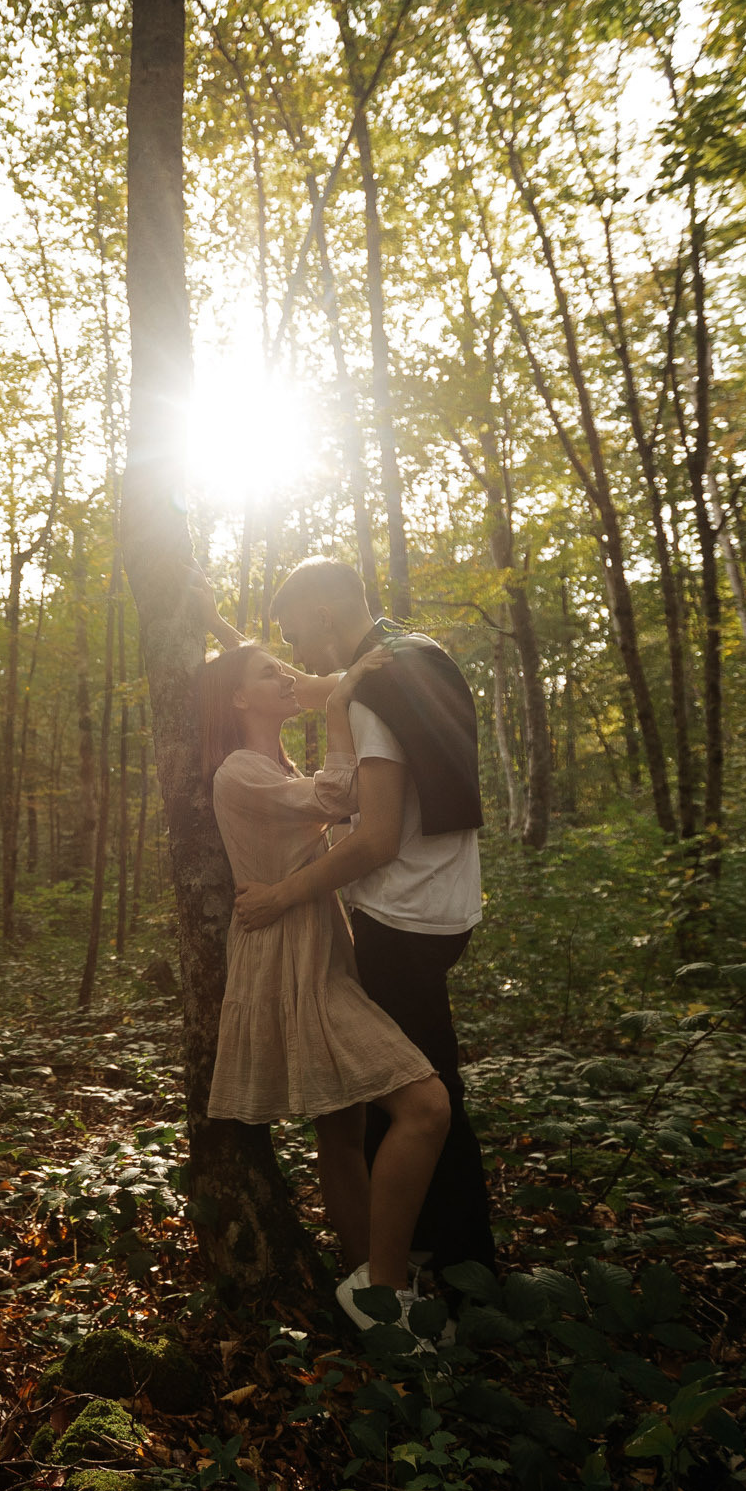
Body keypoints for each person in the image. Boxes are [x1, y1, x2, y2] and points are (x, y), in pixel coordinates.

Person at [224, 558, 500, 1287]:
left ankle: (441, 1267)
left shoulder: (374, 695)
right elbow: (311, 687)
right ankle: (443, 1261)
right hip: (447, 907)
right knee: (425, 1089)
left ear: (321, 616)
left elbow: (373, 839)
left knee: (415, 1102)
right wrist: (219, 634)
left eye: (297, 640)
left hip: (401, 919)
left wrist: (282, 895)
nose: (301, 667)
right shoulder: (412, 657)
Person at [192, 623, 454, 1335]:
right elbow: (338, 800)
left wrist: (218, 624)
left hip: (317, 944)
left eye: (287, 668)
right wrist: (339, 709)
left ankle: (368, 1290)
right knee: (426, 1107)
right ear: (239, 699)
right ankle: (387, 1294)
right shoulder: (239, 772)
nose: (287, 678)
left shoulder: (271, 764)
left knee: (341, 1130)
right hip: (290, 961)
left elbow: (321, 797)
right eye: (269, 673)